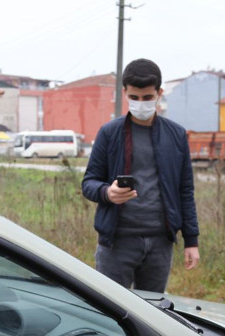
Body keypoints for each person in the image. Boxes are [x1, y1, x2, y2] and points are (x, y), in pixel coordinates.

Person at [81, 58, 200, 293]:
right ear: (125, 92)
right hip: (117, 243)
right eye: (134, 97)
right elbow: (89, 183)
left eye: (147, 97)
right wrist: (108, 193)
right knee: (112, 313)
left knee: (153, 316)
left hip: (160, 243)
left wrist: (191, 241)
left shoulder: (176, 135)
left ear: (159, 93)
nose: (140, 103)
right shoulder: (109, 133)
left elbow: (185, 190)